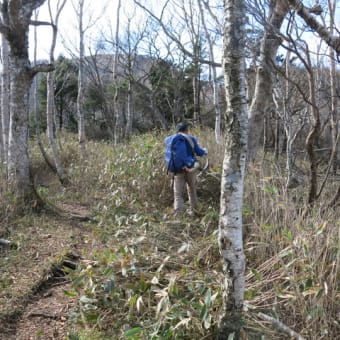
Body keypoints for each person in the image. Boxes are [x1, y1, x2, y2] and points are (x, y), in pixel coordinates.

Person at [171, 122, 207, 216]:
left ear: (177, 130)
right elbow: (199, 152)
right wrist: (204, 151)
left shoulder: (172, 140)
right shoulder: (191, 139)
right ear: (186, 130)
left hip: (178, 170)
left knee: (178, 193)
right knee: (192, 189)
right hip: (191, 169)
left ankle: (178, 214)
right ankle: (194, 211)